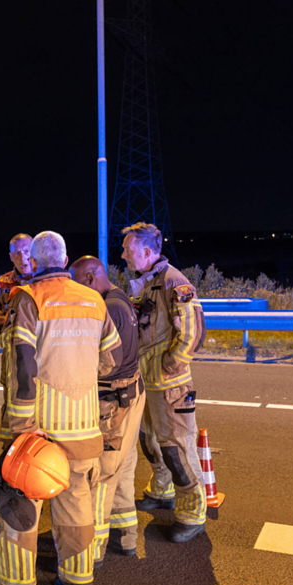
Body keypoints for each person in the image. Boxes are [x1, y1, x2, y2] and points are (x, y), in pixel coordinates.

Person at [0, 231, 121, 585]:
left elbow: (23, 367)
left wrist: (21, 424)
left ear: (36, 259)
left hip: (40, 433)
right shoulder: (93, 299)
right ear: (64, 259)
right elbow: (111, 360)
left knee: (20, 508)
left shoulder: (31, 299)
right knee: (78, 509)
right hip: (83, 430)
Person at [120, 223, 208, 543]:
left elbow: (194, 331)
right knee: (150, 442)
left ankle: (192, 513)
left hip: (168, 385)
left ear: (147, 251)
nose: (123, 255)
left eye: (128, 250)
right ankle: (161, 491)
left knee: (177, 449)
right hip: (146, 381)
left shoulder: (174, 282)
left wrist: (170, 365)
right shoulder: (146, 282)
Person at [70, 256, 144, 563]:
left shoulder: (107, 308)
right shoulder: (120, 298)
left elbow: (106, 363)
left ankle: (93, 551)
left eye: (76, 283)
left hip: (112, 404)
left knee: (100, 476)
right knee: (123, 469)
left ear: (89, 278)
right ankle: (126, 536)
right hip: (131, 396)